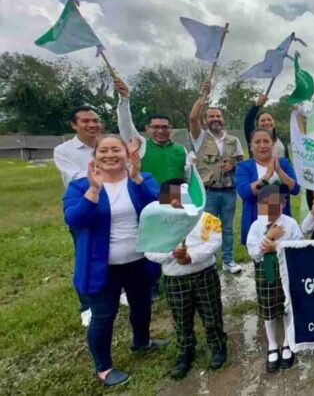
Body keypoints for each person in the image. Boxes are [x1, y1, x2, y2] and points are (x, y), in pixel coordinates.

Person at [63, 135, 168, 388]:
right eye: (104, 150)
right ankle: (104, 367)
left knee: (142, 306)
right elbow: (74, 220)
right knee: (103, 315)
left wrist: (138, 180)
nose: (110, 155)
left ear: (127, 154)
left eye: (116, 149)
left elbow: (159, 208)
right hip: (102, 266)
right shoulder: (79, 186)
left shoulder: (142, 180)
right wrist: (94, 190)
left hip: (139, 260)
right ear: (95, 155)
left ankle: (141, 342)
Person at [144, 181, 227, 379]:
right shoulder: (157, 224)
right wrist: (172, 254)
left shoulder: (205, 218)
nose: (176, 203)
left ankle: (217, 346)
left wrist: (192, 257)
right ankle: (185, 351)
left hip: (204, 274)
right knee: (181, 319)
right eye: (170, 199)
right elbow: (149, 251)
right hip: (176, 280)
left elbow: (215, 241)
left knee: (212, 314)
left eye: (180, 197)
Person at [116, 76, 189, 300]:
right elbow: (126, 128)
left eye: (165, 127)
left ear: (172, 129)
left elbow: (187, 176)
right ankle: (151, 284)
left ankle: (173, 276)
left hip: (174, 199)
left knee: (173, 237)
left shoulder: (180, 150)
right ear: (147, 130)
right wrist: (124, 100)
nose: (160, 130)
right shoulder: (143, 147)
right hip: (148, 198)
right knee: (152, 239)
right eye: (155, 127)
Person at [246, 185, 304, 373]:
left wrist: (277, 245)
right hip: (266, 272)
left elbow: (299, 246)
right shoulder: (256, 226)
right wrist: (267, 237)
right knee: (269, 308)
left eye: (276, 204)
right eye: (266, 204)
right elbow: (253, 253)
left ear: (283, 204)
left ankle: (288, 341)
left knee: (287, 305)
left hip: (287, 270)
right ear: (260, 205)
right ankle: (272, 344)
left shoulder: (290, 223)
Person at [189, 80, 245, 274]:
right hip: (209, 192)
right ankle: (209, 260)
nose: (215, 119)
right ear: (206, 121)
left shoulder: (233, 140)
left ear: (223, 119)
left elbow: (242, 163)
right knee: (208, 227)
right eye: (211, 116)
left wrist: (234, 164)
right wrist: (203, 97)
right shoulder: (200, 138)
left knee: (228, 229)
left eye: (218, 116)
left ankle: (228, 260)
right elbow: (193, 119)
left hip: (229, 192)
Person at [54, 104, 102, 326]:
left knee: (109, 251)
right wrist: (108, 172)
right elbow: (75, 177)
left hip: (108, 207)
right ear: (74, 125)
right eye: (85, 121)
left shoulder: (105, 146)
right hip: (82, 207)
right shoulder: (64, 151)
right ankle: (86, 305)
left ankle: (115, 292)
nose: (92, 125)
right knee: (84, 254)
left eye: (95, 121)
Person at [236, 128, 299, 254]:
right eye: (257, 142)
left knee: (285, 260)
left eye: (266, 141)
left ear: (273, 144)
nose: (262, 145)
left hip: (281, 223)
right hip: (255, 221)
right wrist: (267, 176)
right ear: (251, 146)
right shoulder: (244, 167)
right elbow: (245, 193)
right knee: (259, 259)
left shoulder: (284, 163)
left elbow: (295, 189)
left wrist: (279, 171)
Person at [243, 92, 288, 159]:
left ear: (274, 122)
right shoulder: (254, 138)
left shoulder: (281, 140)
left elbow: (287, 159)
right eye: (263, 120)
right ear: (257, 125)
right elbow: (248, 122)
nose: (267, 123)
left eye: (269, 119)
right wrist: (257, 105)